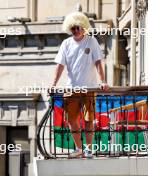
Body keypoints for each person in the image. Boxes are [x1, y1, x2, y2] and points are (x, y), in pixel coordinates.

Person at [51, 12, 109, 158]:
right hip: (71, 88)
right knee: (72, 120)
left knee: (89, 120)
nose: (76, 30)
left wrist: (103, 81)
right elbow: (60, 65)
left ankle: (88, 149)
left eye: (78, 27)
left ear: (84, 27)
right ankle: (78, 148)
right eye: (73, 28)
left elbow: (98, 62)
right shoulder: (66, 44)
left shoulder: (92, 41)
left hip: (89, 87)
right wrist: (53, 84)